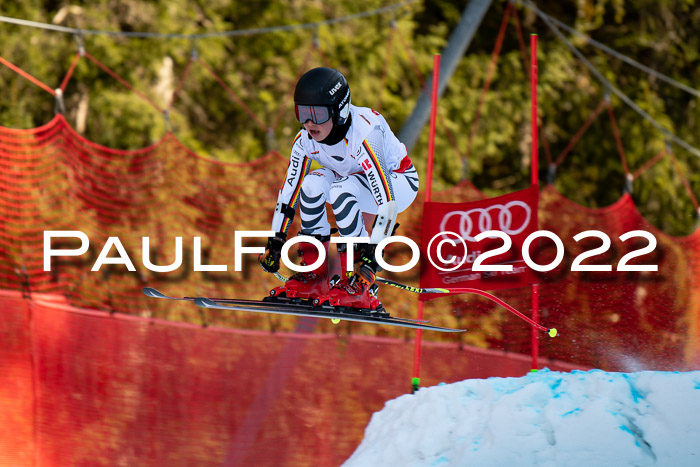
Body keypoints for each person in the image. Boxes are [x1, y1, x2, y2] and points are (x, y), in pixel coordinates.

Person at [259, 67, 419, 310]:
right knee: (311, 184)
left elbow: (387, 202)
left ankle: (358, 285)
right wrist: (276, 240)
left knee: (341, 189)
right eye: (302, 113)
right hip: (352, 179)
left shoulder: (365, 134)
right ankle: (315, 275)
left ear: (339, 110)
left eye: (318, 114)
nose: (309, 123)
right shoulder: (305, 141)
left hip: (399, 182)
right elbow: (288, 194)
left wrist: (371, 259)